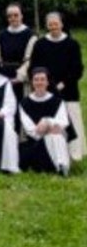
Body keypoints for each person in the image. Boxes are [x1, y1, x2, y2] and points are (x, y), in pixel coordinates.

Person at [30, 11, 84, 162]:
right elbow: (34, 66)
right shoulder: (40, 44)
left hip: (69, 90)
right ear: (47, 26)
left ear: (62, 24)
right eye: (50, 24)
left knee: (72, 120)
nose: (53, 27)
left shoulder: (72, 44)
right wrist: (44, 84)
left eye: (56, 24)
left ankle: (75, 154)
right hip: (45, 88)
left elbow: (77, 69)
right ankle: (49, 153)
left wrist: (63, 84)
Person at [18, 68, 72, 176]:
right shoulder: (24, 103)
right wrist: (50, 128)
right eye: (36, 79)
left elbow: (63, 123)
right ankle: (61, 166)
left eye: (42, 79)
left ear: (47, 82)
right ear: (32, 82)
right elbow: (32, 131)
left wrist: (47, 121)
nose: (39, 82)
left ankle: (61, 166)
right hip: (35, 145)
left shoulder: (58, 102)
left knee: (56, 136)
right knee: (54, 135)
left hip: (56, 139)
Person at [0, 3, 36, 114]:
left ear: (22, 16)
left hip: (22, 77)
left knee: (22, 110)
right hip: (4, 76)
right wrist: (1, 76)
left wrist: (19, 77)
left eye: (16, 15)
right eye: (10, 16)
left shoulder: (31, 35)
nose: (13, 18)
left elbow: (30, 58)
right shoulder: (0, 36)